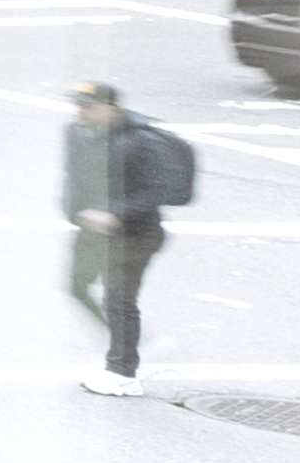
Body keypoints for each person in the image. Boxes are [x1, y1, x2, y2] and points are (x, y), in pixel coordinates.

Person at [59, 79, 197, 391]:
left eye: (87, 107)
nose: (79, 111)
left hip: (135, 234)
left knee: (118, 299)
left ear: (110, 111)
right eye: (77, 105)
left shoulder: (141, 141)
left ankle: (123, 374)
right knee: (77, 286)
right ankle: (135, 346)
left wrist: (113, 213)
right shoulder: (77, 132)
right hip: (92, 230)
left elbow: (159, 190)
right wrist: (73, 210)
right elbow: (74, 176)